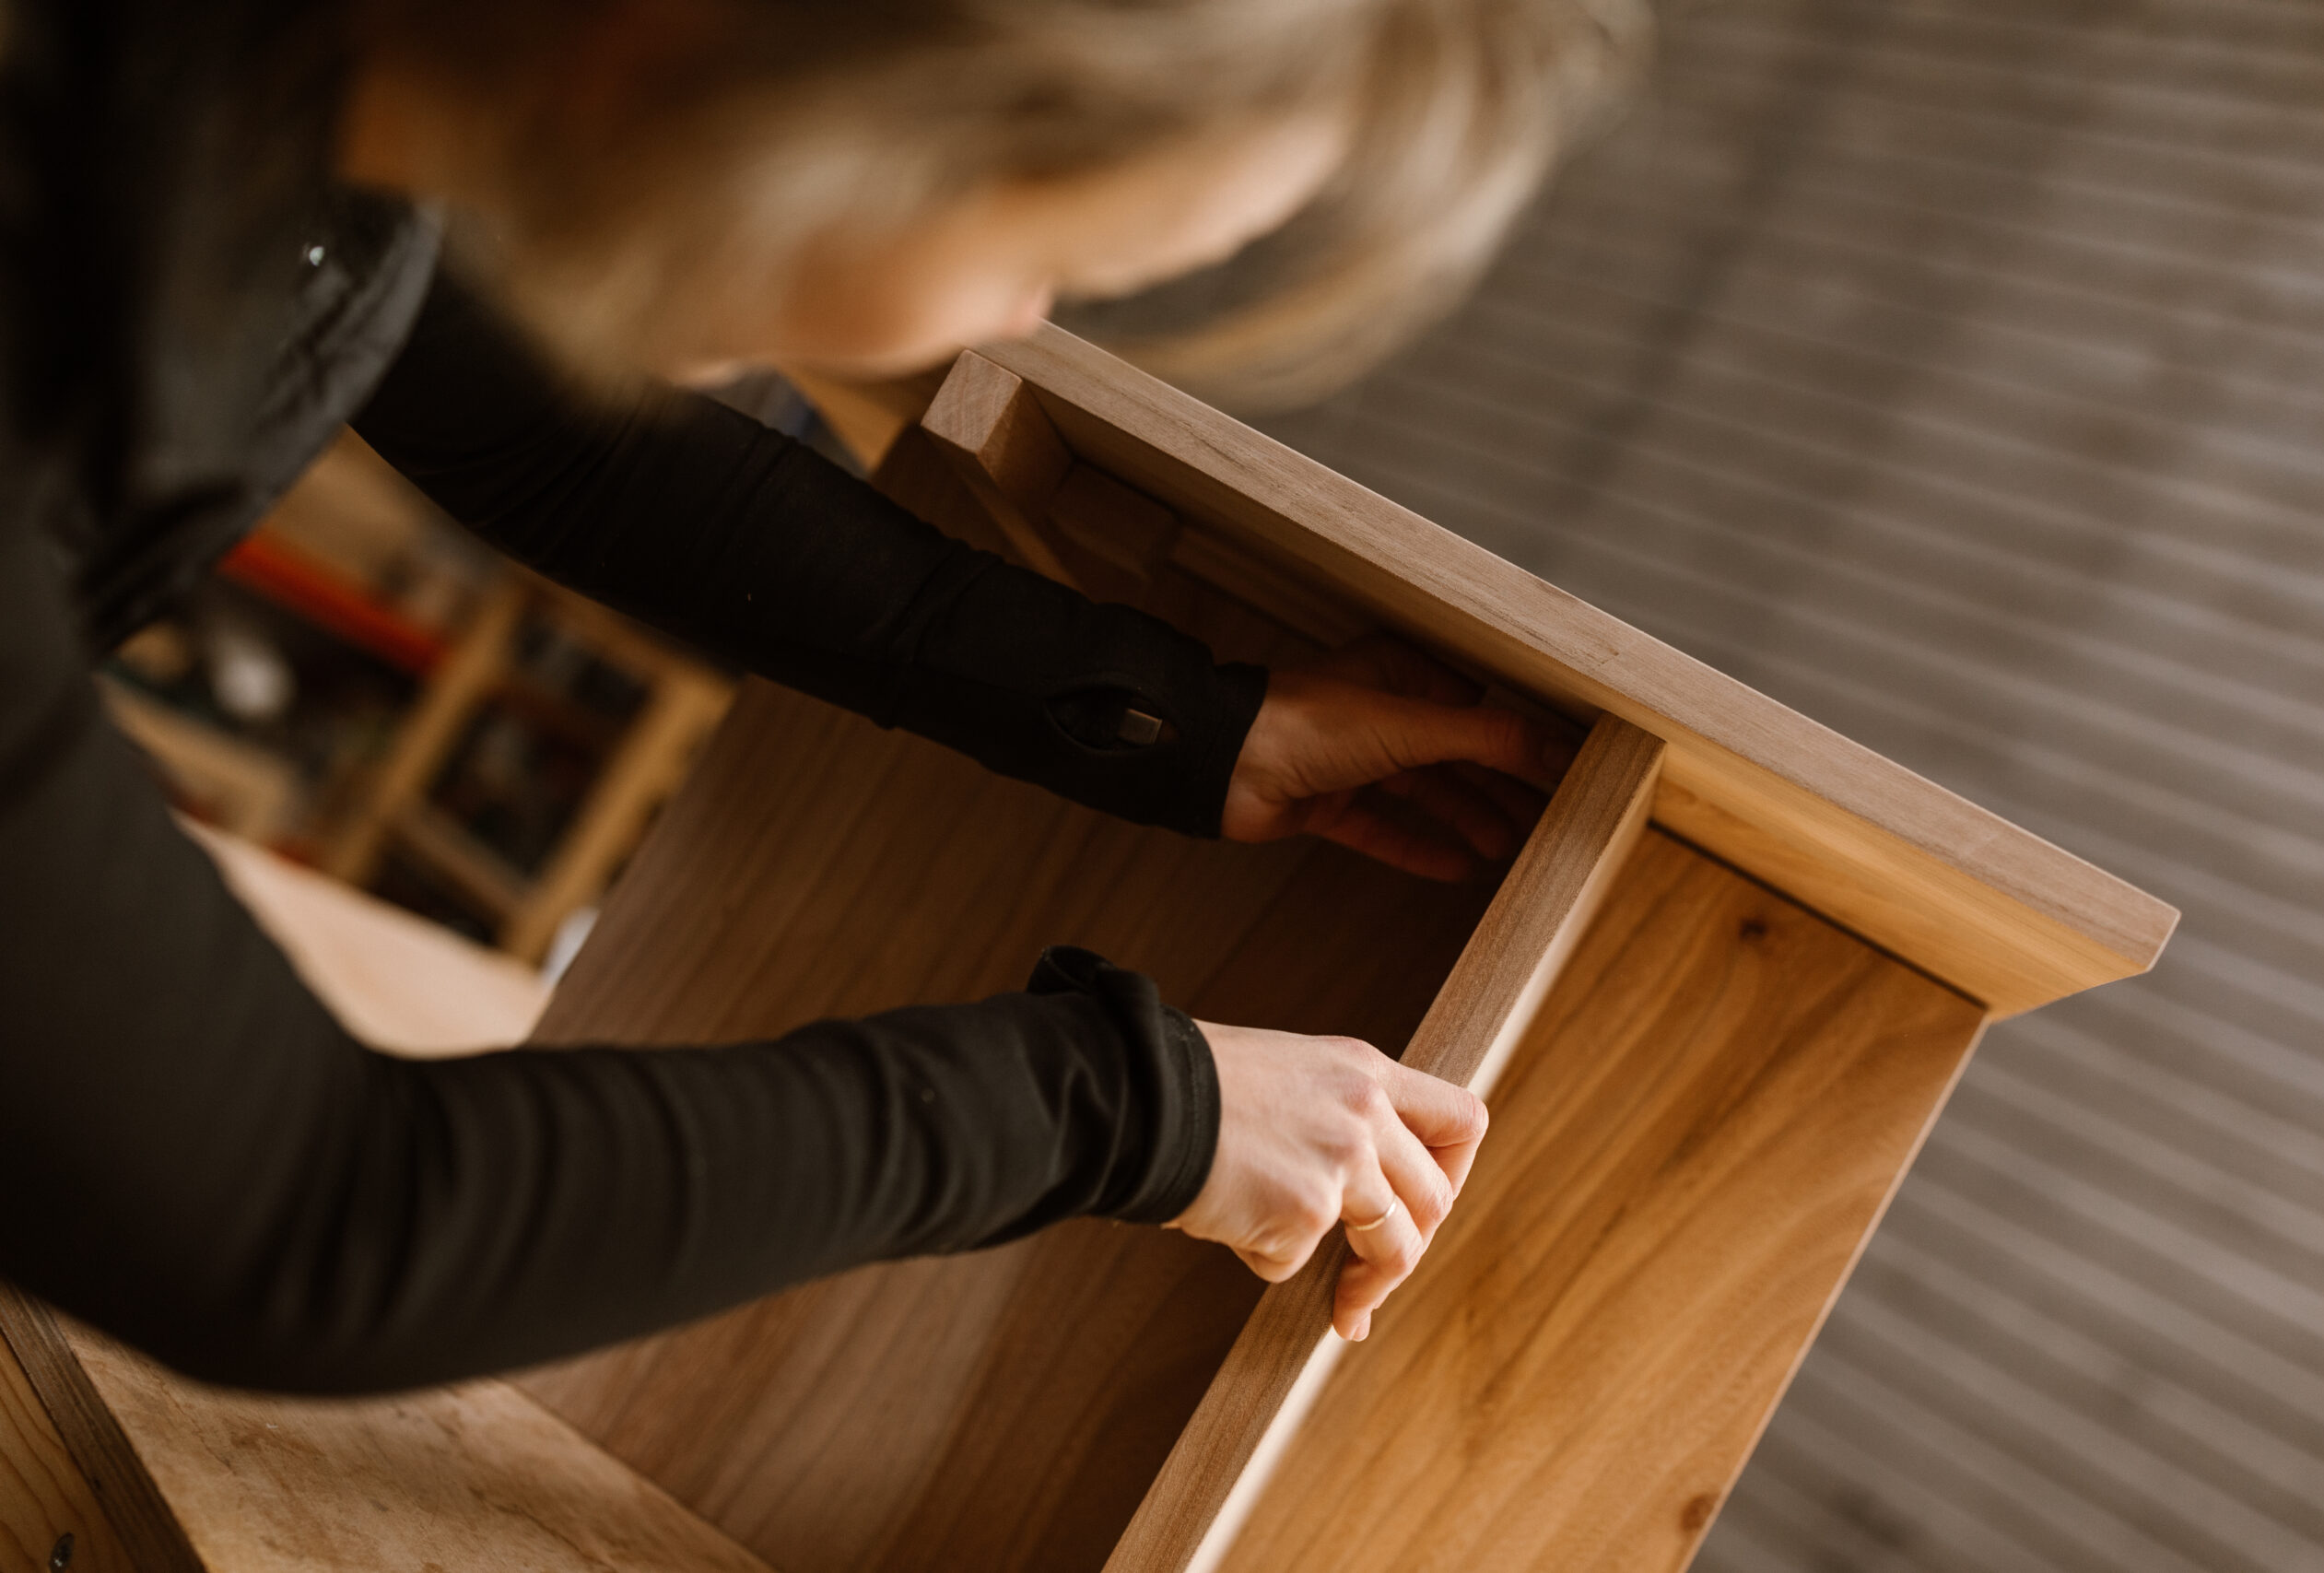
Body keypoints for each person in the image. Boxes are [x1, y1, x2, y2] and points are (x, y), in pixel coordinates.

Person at [0, 0, 1640, 1392]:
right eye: (1044, 246)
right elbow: (308, 1226)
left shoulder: (289, 85)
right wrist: (1126, 1106)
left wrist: (1190, 721)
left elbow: (524, 412)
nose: (1021, 320)